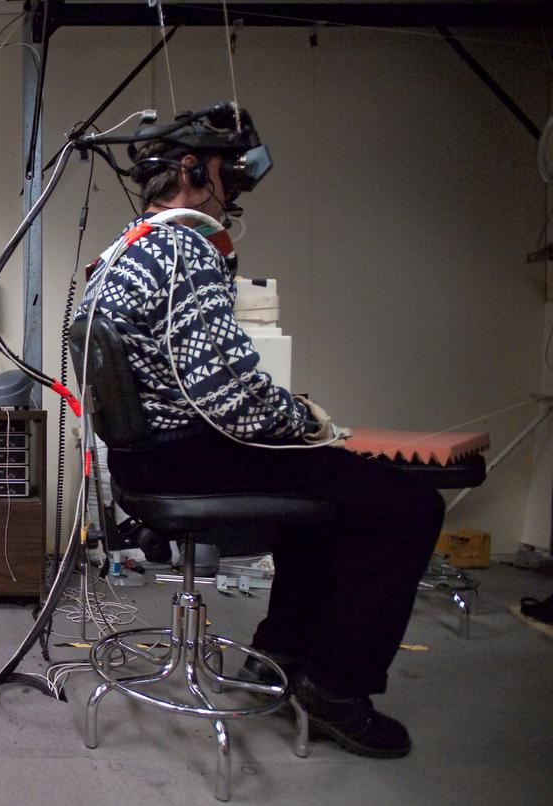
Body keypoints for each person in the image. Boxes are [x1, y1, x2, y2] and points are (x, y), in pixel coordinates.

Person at [79, 104, 444, 759]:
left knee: (326, 502)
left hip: (146, 462)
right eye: (227, 172)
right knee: (407, 504)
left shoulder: (122, 252)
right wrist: (307, 420)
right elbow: (233, 402)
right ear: (196, 170)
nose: (235, 187)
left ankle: (282, 649)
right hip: (188, 459)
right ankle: (337, 685)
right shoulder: (187, 248)